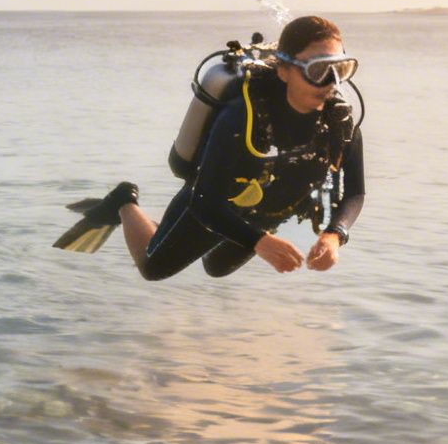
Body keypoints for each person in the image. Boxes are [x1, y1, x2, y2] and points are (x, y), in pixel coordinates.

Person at [54, 15, 363, 280]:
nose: (330, 83)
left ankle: (175, 233)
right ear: (284, 70)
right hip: (216, 201)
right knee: (154, 267)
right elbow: (205, 203)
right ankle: (124, 201)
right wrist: (259, 242)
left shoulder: (340, 120)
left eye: (340, 69)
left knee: (216, 267)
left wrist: (335, 235)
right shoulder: (242, 117)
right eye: (318, 70)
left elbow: (355, 192)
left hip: (265, 212)